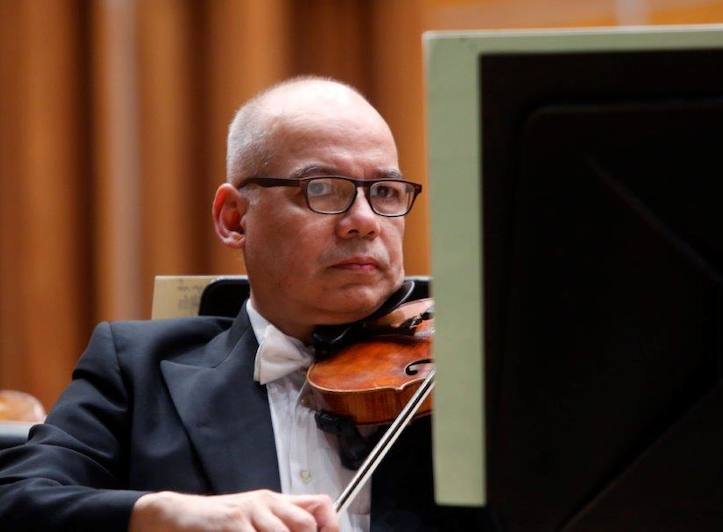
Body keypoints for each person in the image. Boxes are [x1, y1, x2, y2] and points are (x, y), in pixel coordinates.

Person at [0, 77, 485, 531]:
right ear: (234, 218)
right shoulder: (136, 368)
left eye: (383, 191)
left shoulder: (469, 377)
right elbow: (17, 498)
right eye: (322, 190)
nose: (364, 221)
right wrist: (164, 512)